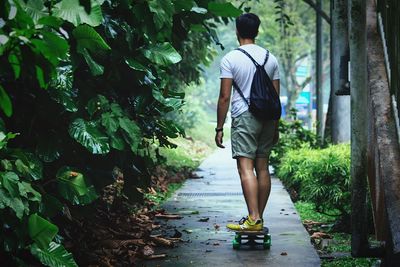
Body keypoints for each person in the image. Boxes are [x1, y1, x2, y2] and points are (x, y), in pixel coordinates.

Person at [215, 13, 280, 231]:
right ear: (257, 31)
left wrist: (219, 127)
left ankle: (253, 218)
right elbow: (275, 97)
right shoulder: (271, 58)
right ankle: (257, 218)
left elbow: (224, 97)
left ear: (237, 31)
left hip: (245, 116)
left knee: (246, 168)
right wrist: (276, 127)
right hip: (268, 118)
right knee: (262, 168)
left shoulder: (231, 58)